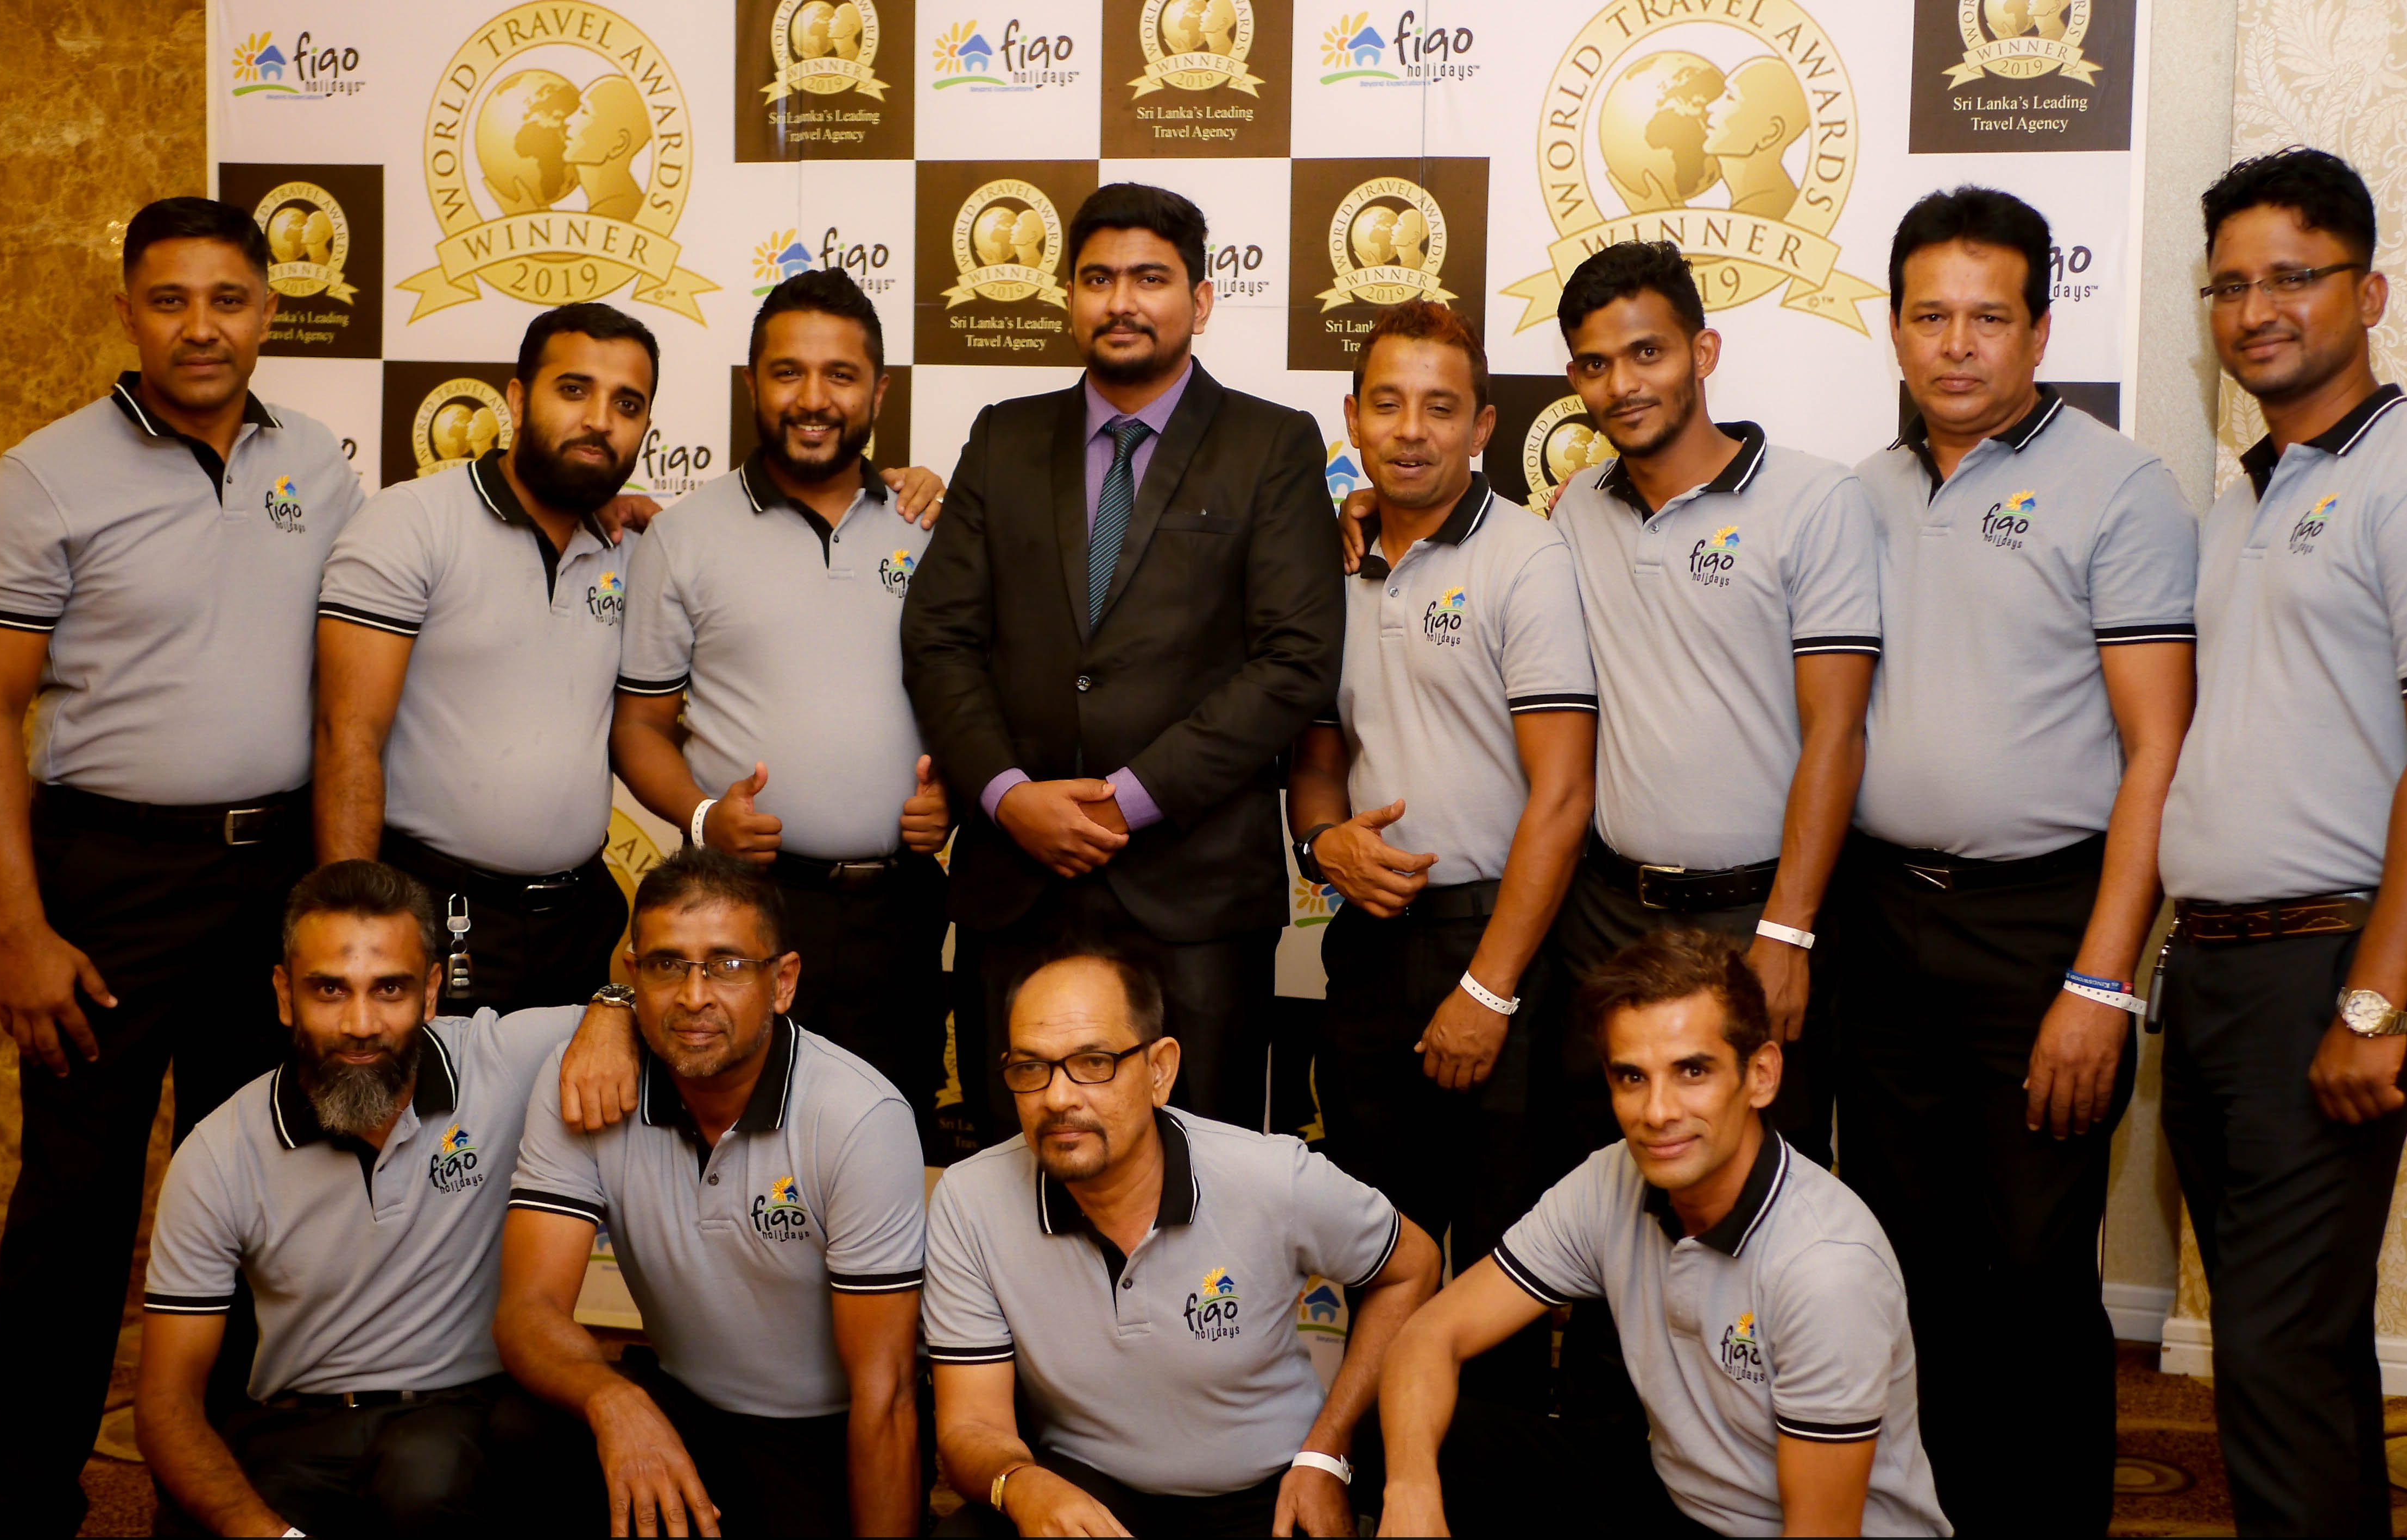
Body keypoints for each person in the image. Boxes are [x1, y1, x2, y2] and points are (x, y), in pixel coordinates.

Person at [0, 196, 362, 1535]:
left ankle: (220, 1493)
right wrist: (20, 927)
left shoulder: (317, 463)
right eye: (172, 299)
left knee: (252, 1189)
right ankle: (30, 1498)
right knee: (77, 1206)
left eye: (229, 299)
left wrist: (612, 511)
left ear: (268, 310)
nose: (202, 327)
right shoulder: (46, 476)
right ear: (128, 308)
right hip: (110, 881)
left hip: (273, 877)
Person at [1345, 241, 1878, 1173]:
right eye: (1595, 364)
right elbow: (1436, 526)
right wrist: (1355, 511)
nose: (1622, 384)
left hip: (1756, 913)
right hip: (1602, 919)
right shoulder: (1574, 512)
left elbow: (1838, 730)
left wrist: (1787, 930)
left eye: (1648, 353)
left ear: (1703, 354)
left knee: (1757, 1190)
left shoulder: (1813, 498)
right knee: (1603, 1197)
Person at [1835, 186, 2198, 1536]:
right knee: (1901, 1264)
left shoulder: (2121, 487)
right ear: (1894, 328)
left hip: (2043, 927)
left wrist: (2102, 982)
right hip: (1881, 920)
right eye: (1930, 315)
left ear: (2041, 330)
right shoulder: (1860, 494)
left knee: (2035, 1269)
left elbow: (2159, 750)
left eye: (1989, 317)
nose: (1956, 345)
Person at [903, 182, 1345, 1131]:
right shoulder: (1003, 435)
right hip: (1015, 886)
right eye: (1098, 279)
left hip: (1194, 897)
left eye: (1150, 278)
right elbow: (939, 636)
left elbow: (1296, 659)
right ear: (1068, 296)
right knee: (1020, 1171)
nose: (1121, 302)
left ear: (1201, 299)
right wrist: (1007, 796)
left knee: (1201, 1172)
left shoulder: (1271, 444)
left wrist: (1126, 800)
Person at [2157, 148, 2407, 1536]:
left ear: (2369, 292)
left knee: (2272, 1356)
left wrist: (2375, 1001)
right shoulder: (2248, 494)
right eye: (2228, 286)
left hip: (2337, 956)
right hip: (2224, 965)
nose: (2255, 310)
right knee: (2299, 1342)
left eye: (2291, 277)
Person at [1376, 928, 1950, 1537]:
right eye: (1632, 1077)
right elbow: (1429, 1335)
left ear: (1761, 1074)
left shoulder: (1828, 1267)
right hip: (1681, 1498)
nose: (1657, 1112)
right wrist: (1411, 1491)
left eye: (1692, 1071)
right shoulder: (1612, 1178)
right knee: (1408, 1432)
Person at [134, 860, 633, 1536]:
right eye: (329, 989)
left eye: (390, 988)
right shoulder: (218, 1151)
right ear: (284, 995)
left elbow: (675, 1007)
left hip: (465, 1420)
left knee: (427, 1476)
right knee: (198, 1519)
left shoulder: (501, 1060)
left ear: (431, 993)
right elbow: (166, 1403)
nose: (361, 1023)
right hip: (298, 1427)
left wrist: (612, 1008)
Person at [1289, 299, 1594, 1405]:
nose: (1410, 430)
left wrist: (1488, 987)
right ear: (1352, 418)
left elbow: (1564, 793)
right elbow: (1315, 754)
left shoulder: (1527, 556)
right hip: (1370, 943)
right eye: (1387, 403)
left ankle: (1489, 1481)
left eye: (1439, 407)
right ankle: (1373, 1470)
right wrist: (1321, 841)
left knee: (1499, 1261)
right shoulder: (1324, 560)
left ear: (1482, 426)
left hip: (1500, 945)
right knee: (1379, 1244)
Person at [926, 950, 1439, 1536]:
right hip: (1086, 1488)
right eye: (1031, 1067)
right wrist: (1021, 1483)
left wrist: (1327, 1453)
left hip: (1265, 1491)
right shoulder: (971, 1198)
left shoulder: (1270, 1176)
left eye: (1093, 1062)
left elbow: (1414, 1266)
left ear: (1159, 1070)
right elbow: (971, 1425)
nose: (1059, 1097)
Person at [496, 845, 927, 1538]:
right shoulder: (586, 1076)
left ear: (782, 981)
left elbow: (888, 1392)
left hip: (819, 1432)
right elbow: (528, 1309)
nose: (694, 996)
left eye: (727, 965)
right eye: (668, 965)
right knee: (518, 1427)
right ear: (633, 976)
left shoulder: (858, 1116)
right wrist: (615, 1400)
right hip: (678, 1404)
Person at [613, 269, 954, 1132]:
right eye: (788, 373)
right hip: (742, 909)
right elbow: (640, 728)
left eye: (841, 375)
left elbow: (979, 696)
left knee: (890, 1135)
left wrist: (956, 793)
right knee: (733, 1140)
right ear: (751, 385)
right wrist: (703, 818)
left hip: (899, 911)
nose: (813, 399)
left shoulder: (935, 527)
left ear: (879, 391)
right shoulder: (683, 537)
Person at [314, 302, 658, 1019]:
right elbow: (346, 735)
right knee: (431, 1098)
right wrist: (353, 928)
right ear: (517, 400)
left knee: (567, 1098)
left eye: (627, 404)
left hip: (580, 919)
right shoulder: (412, 522)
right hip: (440, 913)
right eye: (574, 390)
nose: (600, 420)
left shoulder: (638, 551)